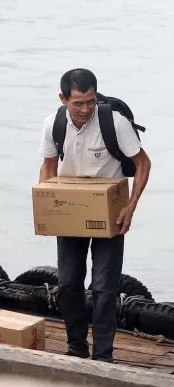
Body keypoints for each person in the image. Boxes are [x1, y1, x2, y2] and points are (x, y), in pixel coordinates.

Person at [39, 69, 151, 362]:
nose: (85, 109)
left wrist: (131, 206)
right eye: (78, 103)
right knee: (68, 284)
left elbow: (142, 163)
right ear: (63, 99)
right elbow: (48, 165)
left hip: (109, 215)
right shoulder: (53, 124)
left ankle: (104, 355)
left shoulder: (114, 123)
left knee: (104, 288)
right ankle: (76, 346)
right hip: (70, 213)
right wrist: (47, 205)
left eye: (90, 101)